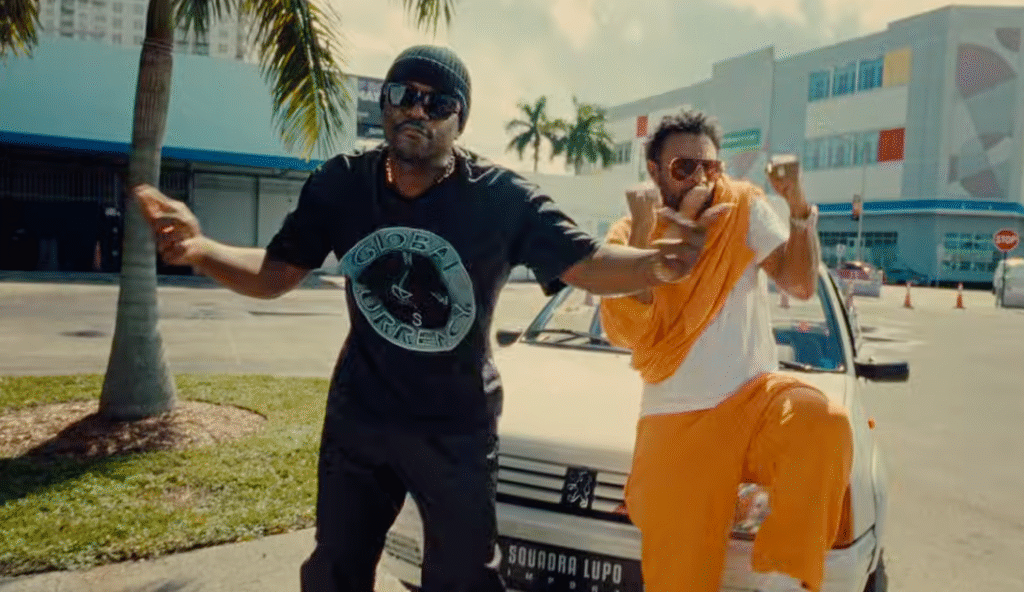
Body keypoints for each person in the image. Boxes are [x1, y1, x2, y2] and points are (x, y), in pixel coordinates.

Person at [136, 45, 708, 592]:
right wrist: (199, 248)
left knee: (463, 578)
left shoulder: (500, 198)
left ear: (460, 121)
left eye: (438, 103)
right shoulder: (342, 184)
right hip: (361, 417)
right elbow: (274, 274)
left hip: (455, 425)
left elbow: (585, 263)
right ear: (384, 103)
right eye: (403, 94)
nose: (417, 110)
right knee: (335, 570)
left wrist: (655, 265)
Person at [599, 108, 853, 592]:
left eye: (710, 167)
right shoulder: (626, 232)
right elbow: (626, 330)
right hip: (675, 418)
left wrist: (797, 205)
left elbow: (800, 284)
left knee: (824, 422)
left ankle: (783, 579)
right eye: (684, 168)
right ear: (654, 172)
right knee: (678, 581)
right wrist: (647, 229)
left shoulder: (742, 208)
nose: (700, 179)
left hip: (755, 401)